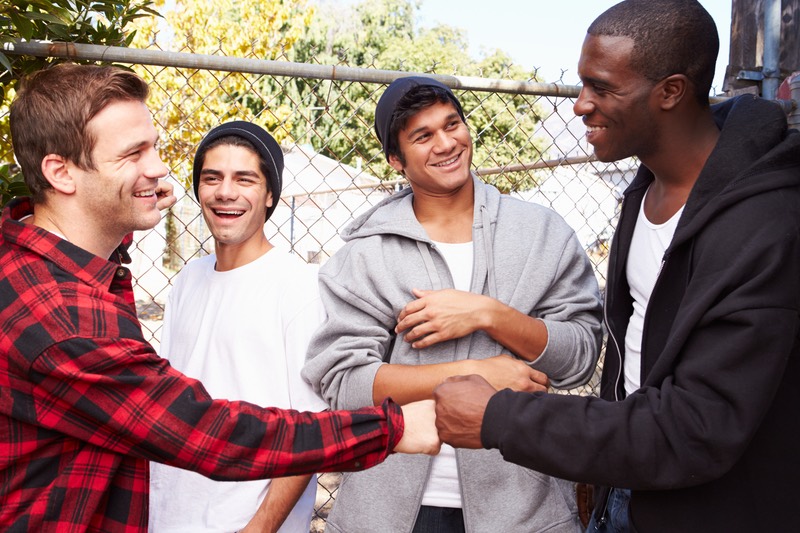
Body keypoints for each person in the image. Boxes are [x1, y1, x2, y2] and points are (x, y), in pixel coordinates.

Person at [0, 62, 439, 532]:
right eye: (133, 154)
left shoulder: (54, 267)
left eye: (154, 147)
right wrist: (389, 428)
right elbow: (202, 430)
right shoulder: (62, 314)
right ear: (60, 172)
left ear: (271, 194)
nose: (158, 168)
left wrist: (135, 197)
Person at [433, 1, 800, 531]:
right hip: (630, 487)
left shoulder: (766, 224)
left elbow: (698, 427)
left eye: (602, 87)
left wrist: (500, 418)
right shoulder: (644, 192)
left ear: (670, 91)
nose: (581, 105)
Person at [302, 76, 603, 532]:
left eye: (452, 124)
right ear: (396, 160)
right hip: (391, 512)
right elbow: (345, 384)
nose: (446, 143)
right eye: (423, 136)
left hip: (521, 508)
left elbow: (578, 358)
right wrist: (481, 374)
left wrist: (487, 314)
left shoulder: (542, 233)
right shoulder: (366, 255)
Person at [148, 122, 328, 532]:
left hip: (245, 521)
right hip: (170, 515)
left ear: (269, 195)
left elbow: (312, 429)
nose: (225, 192)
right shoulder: (187, 279)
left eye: (244, 179)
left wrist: (259, 528)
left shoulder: (300, 288)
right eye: (212, 178)